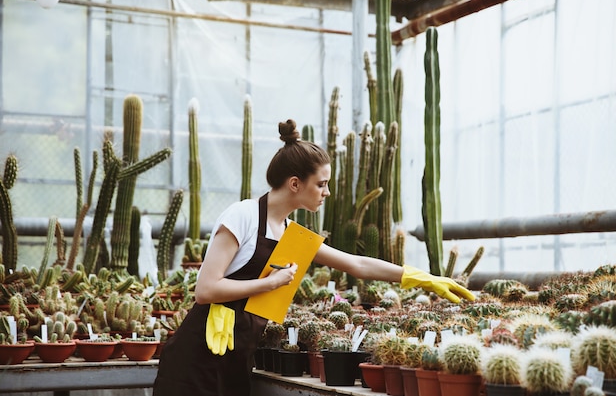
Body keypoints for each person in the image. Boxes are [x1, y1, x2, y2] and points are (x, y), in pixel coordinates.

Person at [152, 119, 474, 396]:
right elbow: (206, 290)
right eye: (321, 184)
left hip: (235, 363)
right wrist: (269, 283)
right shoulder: (243, 217)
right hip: (193, 366)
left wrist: (421, 277)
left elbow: (356, 264)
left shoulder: (292, 234)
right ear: (295, 184)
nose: (327, 192)